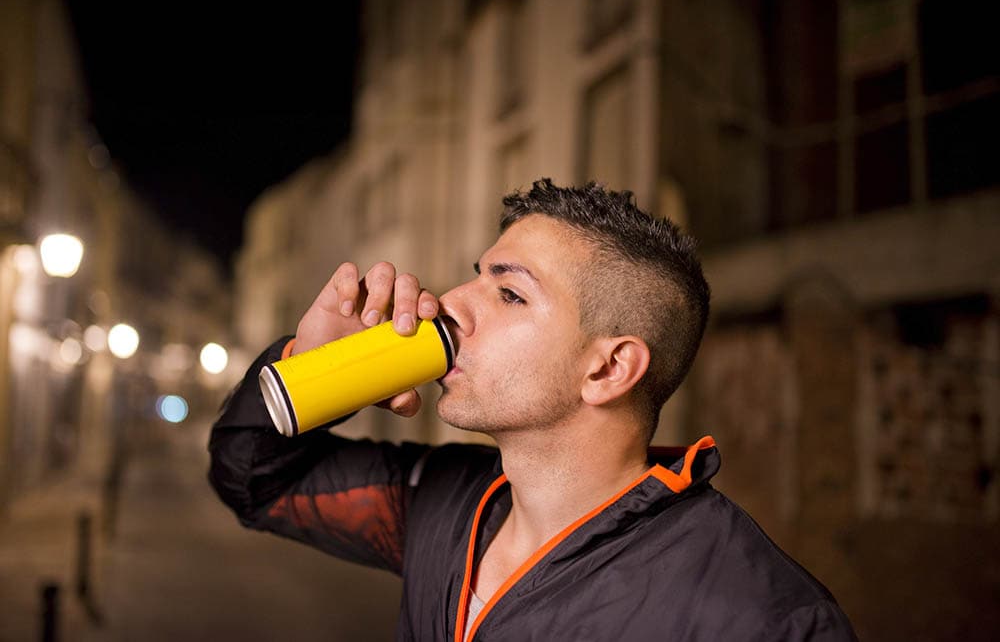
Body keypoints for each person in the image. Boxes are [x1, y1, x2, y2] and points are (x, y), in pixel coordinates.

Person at [209, 178, 856, 641]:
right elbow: (252, 479)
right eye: (477, 275)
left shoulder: (759, 620)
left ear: (608, 368)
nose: (451, 303)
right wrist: (311, 368)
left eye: (511, 294)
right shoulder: (442, 502)